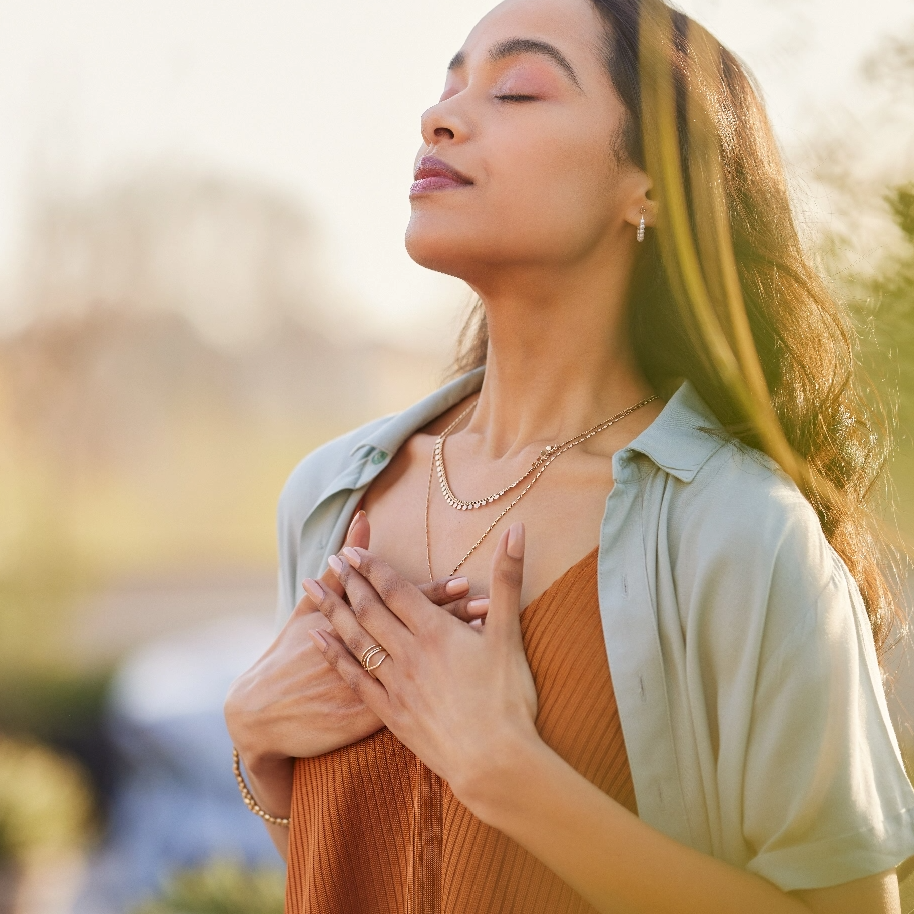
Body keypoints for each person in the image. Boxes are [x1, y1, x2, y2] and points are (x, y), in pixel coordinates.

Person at [224, 0, 914, 910]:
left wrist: (507, 772)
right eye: (450, 84)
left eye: (516, 90)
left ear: (652, 188)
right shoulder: (326, 496)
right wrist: (259, 751)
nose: (442, 115)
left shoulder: (741, 531)